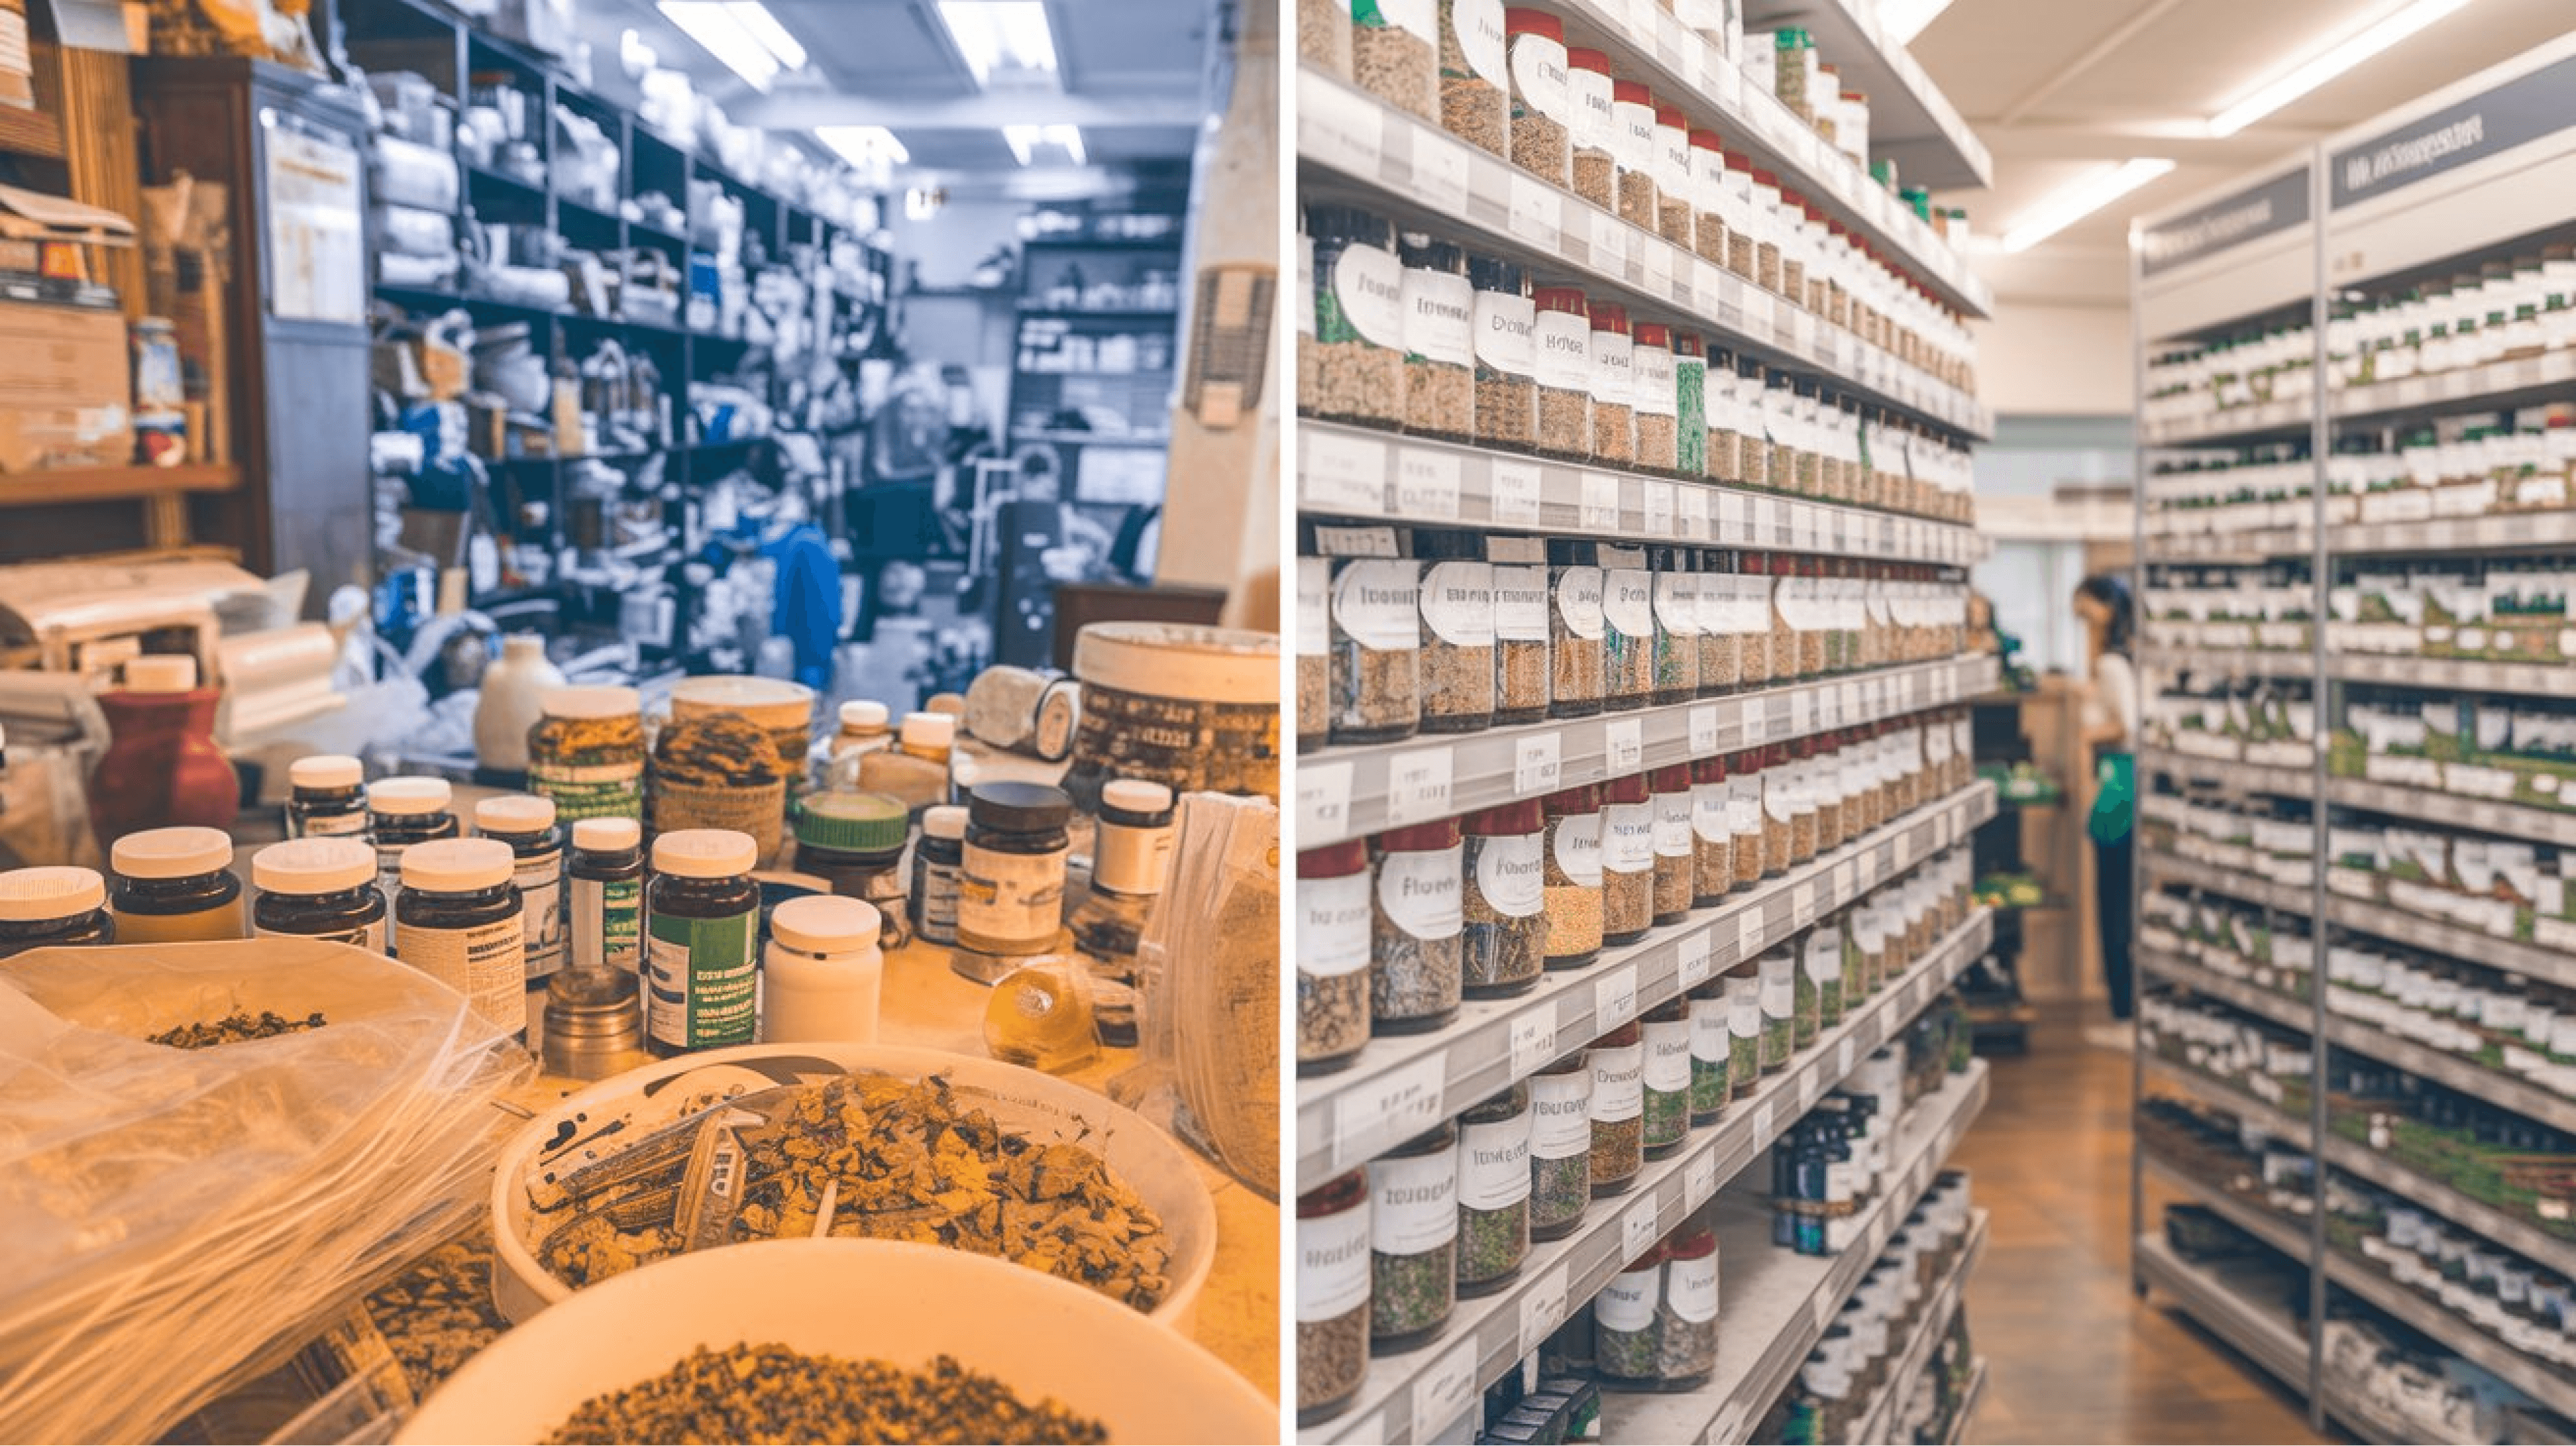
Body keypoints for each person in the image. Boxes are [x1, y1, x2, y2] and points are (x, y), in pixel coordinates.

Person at [2075, 573, 2140, 1031]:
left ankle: (2123, 1009)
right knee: (2114, 897)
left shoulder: (2114, 665)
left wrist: (2088, 733)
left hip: (2120, 781)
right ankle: (2121, 1006)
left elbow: (2130, 725)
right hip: (2117, 781)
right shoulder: (2111, 662)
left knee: (2113, 899)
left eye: (2085, 614)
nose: (2083, 624)